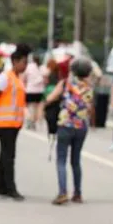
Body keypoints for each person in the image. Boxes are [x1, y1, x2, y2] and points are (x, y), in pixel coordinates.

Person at [44, 58, 94, 205]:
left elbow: (50, 98)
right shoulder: (89, 87)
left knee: (61, 160)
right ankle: (78, 193)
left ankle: (62, 193)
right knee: (76, 161)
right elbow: (89, 108)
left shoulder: (65, 83)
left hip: (65, 125)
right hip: (81, 127)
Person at [0, 43, 32, 201]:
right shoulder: (5, 77)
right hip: (4, 123)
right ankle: (11, 188)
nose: (25, 65)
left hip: (13, 124)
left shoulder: (16, 78)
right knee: (9, 156)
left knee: (4, 155)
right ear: (14, 61)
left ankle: (2, 187)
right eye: (23, 62)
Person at [22, 54, 45, 130]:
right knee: (35, 107)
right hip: (40, 91)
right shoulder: (42, 67)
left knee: (29, 107)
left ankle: (30, 120)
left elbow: (24, 77)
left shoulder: (29, 67)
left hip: (30, 90)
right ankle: (33, 122)